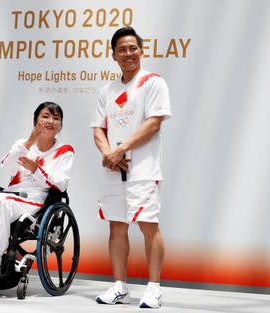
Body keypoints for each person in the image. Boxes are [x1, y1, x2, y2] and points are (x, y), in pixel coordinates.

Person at [90, 27, 171, 308]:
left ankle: (154, 288)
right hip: (114, 170)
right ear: (113, 55)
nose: (128, 54)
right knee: (117, 227)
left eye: (133, 48)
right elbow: (98, 129)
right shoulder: (107, 90)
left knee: (149, 226)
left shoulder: (152, 82)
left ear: (141, 50)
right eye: (122, 49)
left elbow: (153, 123)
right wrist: (108, 153)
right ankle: (119, 286)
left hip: (143, 170)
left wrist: (121, 150)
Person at [0, 101, 74, 274]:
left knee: (2, 202)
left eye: (56, 118)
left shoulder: (65, 150)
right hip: (11, 194)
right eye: (45, 116)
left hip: (36, 200)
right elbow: (7, 166)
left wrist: (36, 171)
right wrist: (29, 142)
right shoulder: (23, 144)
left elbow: (61, 183)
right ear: (35, 121)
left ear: (60, 125)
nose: (51, 121)